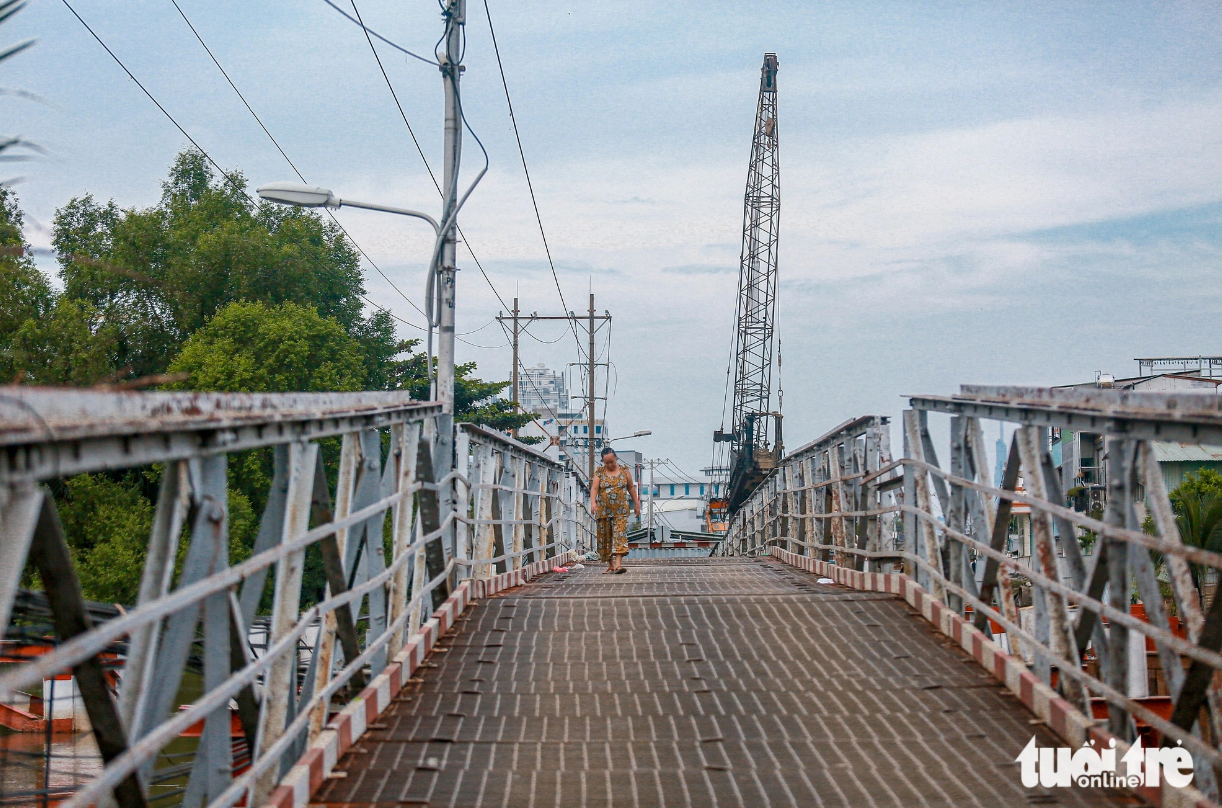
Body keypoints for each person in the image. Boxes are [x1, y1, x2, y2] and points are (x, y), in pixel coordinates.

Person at [591, 447, 640, 574]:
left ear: (616, 458)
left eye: (612, 461)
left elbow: (631, 488)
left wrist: (636, 503)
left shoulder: (624, 470)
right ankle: (610, 565)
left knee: (620, 535)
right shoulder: (600, 472)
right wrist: (593, 503)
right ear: (603, 462)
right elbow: (594, 488)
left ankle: (618, 565)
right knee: (605, 537)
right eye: (607, 462)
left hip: (621, 511)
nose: (610, 465)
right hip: (604, 511)